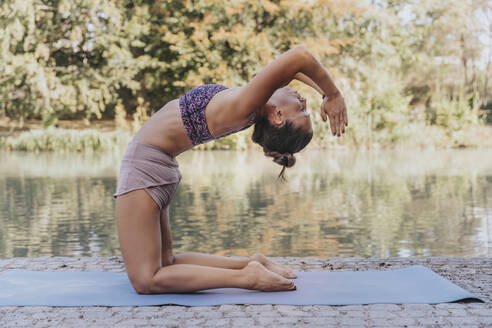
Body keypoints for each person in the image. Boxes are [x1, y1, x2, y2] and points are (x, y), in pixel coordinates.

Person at [113, 45, 348, 294]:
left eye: (301, 110)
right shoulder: (250, 105)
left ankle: (247, 277)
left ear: (278, 115)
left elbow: (300, 57)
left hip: (145, 165)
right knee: (165, 263)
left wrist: (333, 95)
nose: (303, 100)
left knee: (146, 279)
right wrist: (325, 94)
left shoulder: (245, 105)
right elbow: (293, 70)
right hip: (161, 166)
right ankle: (250, 264)